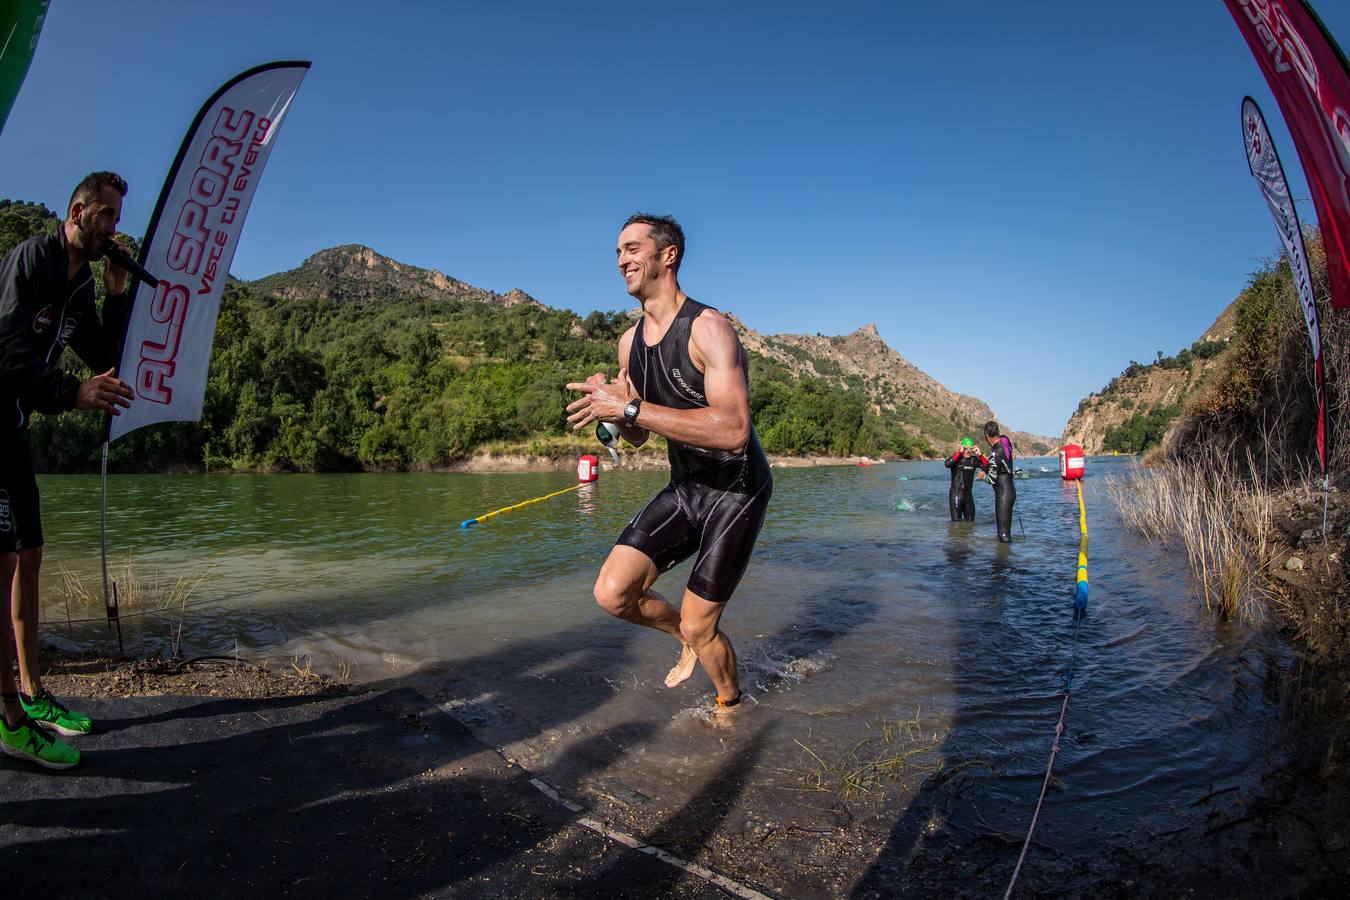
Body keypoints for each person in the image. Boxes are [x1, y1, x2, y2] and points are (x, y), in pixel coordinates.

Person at [566, 213, 771, 717]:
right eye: (617, 252)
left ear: (668, 255)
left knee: (704, 625)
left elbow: (733, 430)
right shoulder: (628, 343)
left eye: (633, 249)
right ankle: (686, 636)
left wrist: (631, 408)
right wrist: (612, 410)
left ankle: (730, 706)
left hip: (738, 489)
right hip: (687, 486)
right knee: (614, 593)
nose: (621, 261)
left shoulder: (708, 329)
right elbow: (637, 435)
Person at [0, 171, 135, 768]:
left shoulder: (82, 290)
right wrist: (70, 392)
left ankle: (32, 692)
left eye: (116, 217)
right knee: (2, 559)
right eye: (104, 215)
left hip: (15, 427)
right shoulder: (33, 259)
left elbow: (104, 358)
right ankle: (9, 715)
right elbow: (8, 353)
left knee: (30, 557)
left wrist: (115, 291)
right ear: (78, 211)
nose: (112, 226)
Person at [978, 420, 1016, 542]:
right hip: (1010, 488)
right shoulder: (1005, 440)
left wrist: (982, 476)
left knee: (1003, 535)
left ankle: (1003, 560)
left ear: (987, 436)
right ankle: (1006, 558)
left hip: (1003, 494)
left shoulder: (995, 455)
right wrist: (981, 456)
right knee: (1005, 533)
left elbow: (991, 479)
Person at [944, 437, 985, 522]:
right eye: (966, 448)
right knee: (956, 523)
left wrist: (980, 455)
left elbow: (988, 467)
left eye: (970, 449)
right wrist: (959, 452)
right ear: (963, 448)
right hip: (956, 495)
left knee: (971, 523)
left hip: (968, 496)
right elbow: (947, 464)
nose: (968, 451)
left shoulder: (974, 460)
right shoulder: (957, 459)